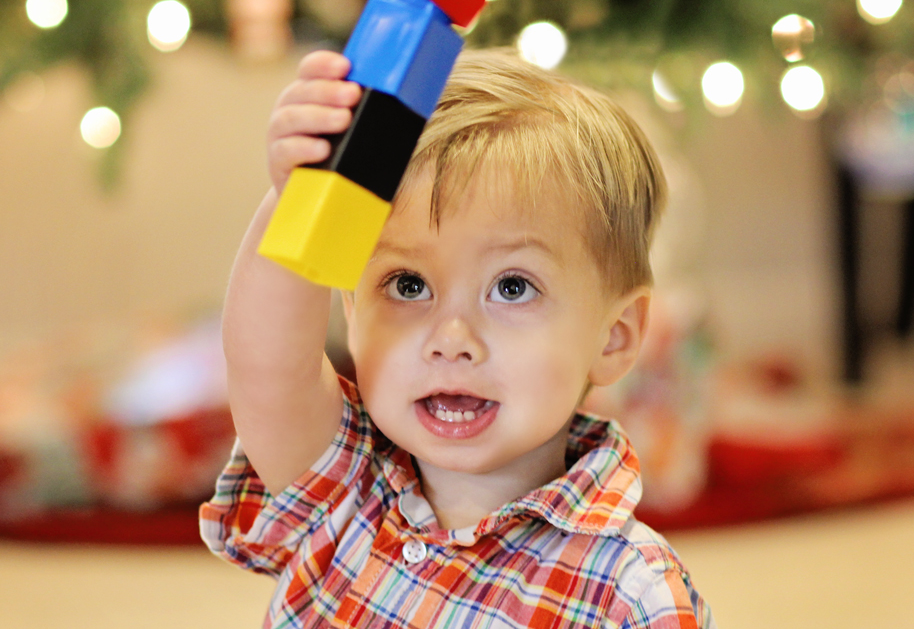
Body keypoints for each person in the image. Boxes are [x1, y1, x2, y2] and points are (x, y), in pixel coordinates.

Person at [200, 47, 716, 629]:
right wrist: (295, 200)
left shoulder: (630, 593)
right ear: (351, 305)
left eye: (513, 288)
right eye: (409, 284)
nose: (452, 339)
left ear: (613, 338)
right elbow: (267, 369)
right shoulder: (345, 487)